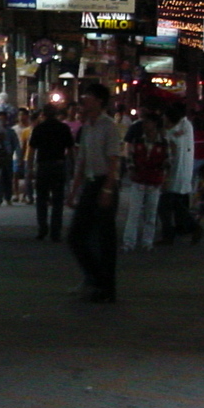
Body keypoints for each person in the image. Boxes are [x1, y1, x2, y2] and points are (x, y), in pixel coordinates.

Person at [66, 82, 122, 302]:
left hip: (104, 183)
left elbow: (113, 160)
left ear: (99, 101)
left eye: (87, 96)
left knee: (105, 239)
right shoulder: (86, 127)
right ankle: (95, 278)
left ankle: (106, 287)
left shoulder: (108, 126)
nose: (83, 100)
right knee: (76, 236)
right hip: (90, 183)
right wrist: (73, 191)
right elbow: (81, 161)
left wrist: (108, 188)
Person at [121, 108, 169, 252]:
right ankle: (129, 242)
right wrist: (131, 169)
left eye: (147, 123)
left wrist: (164, 178)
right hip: (139, 179)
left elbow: (168, 162)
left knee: (150, 213)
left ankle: (147, 242)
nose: (145, 126)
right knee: (134, 213)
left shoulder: (163, 143)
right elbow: (130, 157)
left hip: (154, 180)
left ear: (154, 124)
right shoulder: (138, 140)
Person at [158, 100, 203, 245]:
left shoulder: (172, 134)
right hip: (182, 174)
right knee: (176, 205)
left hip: (174, 175)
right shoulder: (185, 126)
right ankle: (186, 228)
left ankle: (178, 232)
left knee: (166, 206)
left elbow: (172, 154)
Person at [28, 104, 74, 241]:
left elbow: (31, 150)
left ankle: (42, 228)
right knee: (58, 199)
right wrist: (72, 166)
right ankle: (55, 231)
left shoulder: (39, 129)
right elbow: (71, 149)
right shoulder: (63, 128)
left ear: (44, 114)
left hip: (43, 166)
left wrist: (30, 168)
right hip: (59, 165)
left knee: (41, 198)